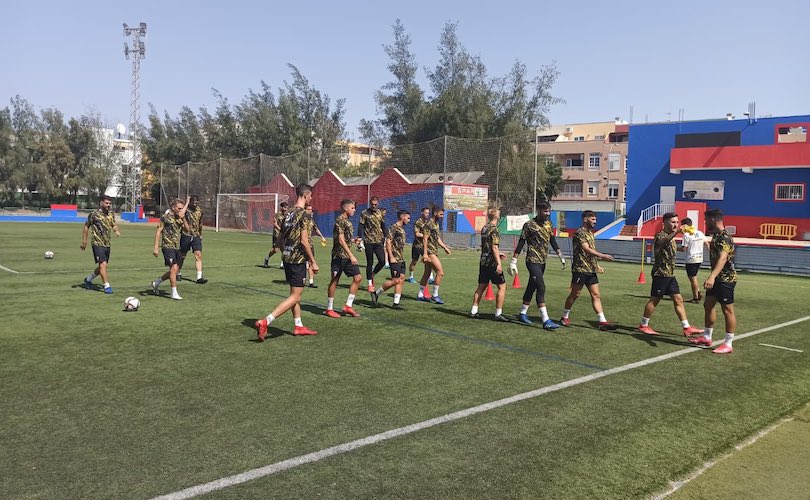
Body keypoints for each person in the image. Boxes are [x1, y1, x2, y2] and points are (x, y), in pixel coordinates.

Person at [255, 185, 319, 341]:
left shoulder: (288, 213)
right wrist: (313, 261)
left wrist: (285, 252)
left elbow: (280, 239)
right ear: (307, 195)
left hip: (288, 258)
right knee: (295, 296)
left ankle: (298, 325)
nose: (311, 199)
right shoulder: (304, 215)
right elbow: (304, 241)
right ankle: (266, 321)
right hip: (297, 259)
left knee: (295, 295)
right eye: (311, 196)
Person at [637, 213, 705, 336]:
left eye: (677, 222)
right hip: (661, 273)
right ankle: (643, 325)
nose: (676, 224)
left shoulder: (672, 237)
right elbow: (663, 242)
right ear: (665, 223)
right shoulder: (660, 235)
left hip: (670, 274)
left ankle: (686, 327)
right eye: (673, 222)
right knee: (654, 300)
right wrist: (677, 232)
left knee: (678, 299)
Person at [509, 201, 566, 329]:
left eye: (549, 211)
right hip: (532, 260)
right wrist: (513, 261)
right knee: (541, 287)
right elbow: (521, 243)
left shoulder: (549, 224)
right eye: (545, 211)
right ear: (538, 211)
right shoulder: (529, 225)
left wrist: (560, 255)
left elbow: (552, 240)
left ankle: (522, 313)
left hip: (542, 261)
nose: (548, 213)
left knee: (532, 287)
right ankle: (546, 320)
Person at [689, 208, 738, 354]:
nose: (705, 223)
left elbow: (723, 258)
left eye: (706, 220)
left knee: (727, 310)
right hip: (717, 277)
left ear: (712, 219)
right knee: (708, 304)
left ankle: (728, 344)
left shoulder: (724, 237)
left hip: (725, 279)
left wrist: (712, 276)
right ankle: (706, 336)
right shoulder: (716, 236)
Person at [560, 211, 617, 331]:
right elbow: (586, 249)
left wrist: (596, 265)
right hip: (580, 269)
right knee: (575, 294)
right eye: (593, 219)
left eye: (595, 219)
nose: (595, 222)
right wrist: (602, 255)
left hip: (590, 270)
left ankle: (602, 322)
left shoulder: (591, 234)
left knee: (596, 295)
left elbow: (591, 252)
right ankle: (564, 317)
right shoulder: (579, 233)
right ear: (585, 219)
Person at [324, 199, 363, 318]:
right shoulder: (340, 220)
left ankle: (348, 306)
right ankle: (329, 309)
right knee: (334, 281)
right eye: (352, 208)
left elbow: (345, 239)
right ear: (345, 208)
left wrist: (354, 240)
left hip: (346, 256)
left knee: (358, 278)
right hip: (339, 256)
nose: (354, 210)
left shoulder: (348, 221)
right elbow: (340, 240)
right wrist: (352, 255)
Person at [470, 206, 509, 322]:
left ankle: (473, 310)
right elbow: (494, 247)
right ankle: (498, 313)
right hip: (492, 262)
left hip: (483, 260)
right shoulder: (495, 229)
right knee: (502, 286)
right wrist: (499, 263)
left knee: (481, 286)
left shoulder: (484, 228)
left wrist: (497, 253)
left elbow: (486, 246)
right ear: (496, 216)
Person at [152, 197, 190, 300]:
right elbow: (158, 231)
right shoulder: (165, 217)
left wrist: (183, 218)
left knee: (175, 270)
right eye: (179, 208)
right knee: (173, 268)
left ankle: (156, 282)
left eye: (182, 208)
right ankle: (174, 292)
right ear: (173, 207)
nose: (181, 210)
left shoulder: (179, 218)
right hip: (167, 246)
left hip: (177, 247)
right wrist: (156, 247)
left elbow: (187, 229)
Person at [370, 210, 410, 309]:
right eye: (408, 218)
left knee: (401, 280)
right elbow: (388, 242)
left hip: (401, 258)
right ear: (402, 217)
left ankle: (396, 303)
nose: (409, 220)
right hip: (395, 258)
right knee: (395, 280)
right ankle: (376, 293)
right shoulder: (394, 227)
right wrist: (391, 257)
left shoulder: (401, 228)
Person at [80, 195, 121, 293]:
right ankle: (107, 286)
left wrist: (116, 230)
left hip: (107, 243)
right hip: (97, 243)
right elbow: (86, 226)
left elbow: (113, 224)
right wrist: (84, 241)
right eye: (106, 203)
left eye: (110, 203)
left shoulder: (111, 214)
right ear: (101, 203)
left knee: (103, 266)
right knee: (102, 265)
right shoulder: (94, 214)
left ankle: (88, 279)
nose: (108, 205)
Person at [418, 208, 451, 304]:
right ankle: (435, 295)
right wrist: (425, 253)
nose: (442, 216)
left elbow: (437, 238)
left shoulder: (436, 224)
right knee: (440, 273)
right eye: (441, 214)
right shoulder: (429, 224)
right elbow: (425, 239)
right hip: (429, 251)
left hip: (434, 250)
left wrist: (444, 247)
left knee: (427, 273)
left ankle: (420, 294)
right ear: (435, 213)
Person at [359, 196, 387, 292]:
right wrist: (359, 237)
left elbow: (383, 225)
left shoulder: (380, 213)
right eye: (372, 204)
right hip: (368, 241)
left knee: (382, 261)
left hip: (379, 241)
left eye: (375, 204)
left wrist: (386, 237)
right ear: (370, 203)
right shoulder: (364, 213)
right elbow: (361, 226)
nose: (374, 206)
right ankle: (370, 283)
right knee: (369, 262)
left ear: (378, 204)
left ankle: (373, 274)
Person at [178, 195, 208, 284]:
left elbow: (200, 223)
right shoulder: (186, 209)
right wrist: (186, 202)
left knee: (198, 255)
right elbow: (181, 214)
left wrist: (200, 234)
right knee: (182, 255)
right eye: (193, 202)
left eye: (196, 202)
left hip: (196, 236)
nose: (195, 204)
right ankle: (178, 272)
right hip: (186, 235)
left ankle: (199, 277)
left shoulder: (199, 211)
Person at [678, 217, 708, 303]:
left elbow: (684, 249)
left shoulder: (686, 235)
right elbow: (706, 243)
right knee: (694, 277)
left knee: (692, 278)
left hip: (691, 259)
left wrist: (674, 248)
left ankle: (696, 297)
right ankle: (697, 293)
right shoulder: (699, 232)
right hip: (699, 258)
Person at [304, 203, 327, 288]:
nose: (310, 211)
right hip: (301, 244)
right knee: (302, 262)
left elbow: (316, 228)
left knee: (310, 262)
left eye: (311, 210)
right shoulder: (301, 219)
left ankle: (311, 282)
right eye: (308, 209)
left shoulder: (312, 220)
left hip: (310, 244)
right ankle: (302, 279)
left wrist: (322, 236)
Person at [408, 207, 431, 283]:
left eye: (428, 213)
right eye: (426, 212)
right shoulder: (418, 222)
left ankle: (430, 278)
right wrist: (426, 236)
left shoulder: (428, 222)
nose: (427, 214)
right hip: (417, 246)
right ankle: (411, 276)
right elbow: (417, 234)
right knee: (414, 261)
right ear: (422, 213)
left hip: (425, 246)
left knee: (429, 261)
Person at [263, 201, 288, 269]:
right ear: (281, 207)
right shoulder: (277, 214)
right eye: (284, 207)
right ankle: (266, 258)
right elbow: (275, 223)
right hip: (277, 234)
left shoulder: (287, 215)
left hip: (284, 235)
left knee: (284, 250)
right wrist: (280, 229)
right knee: (275, 250)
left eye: (286, 208)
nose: (286, 209)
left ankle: (282, 264)